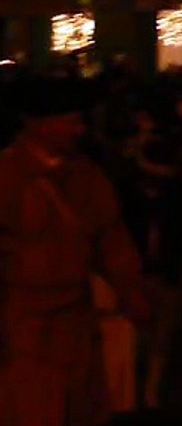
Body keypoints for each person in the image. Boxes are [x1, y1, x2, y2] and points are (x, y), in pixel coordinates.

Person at [0, 75, 151, 426]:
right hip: (21, 326)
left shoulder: (85, 175)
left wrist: (131, 292)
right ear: (37, 123)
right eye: (69, 120)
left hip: (77, 325)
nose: (78, 130)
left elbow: (112, 241)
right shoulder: (7, 177)